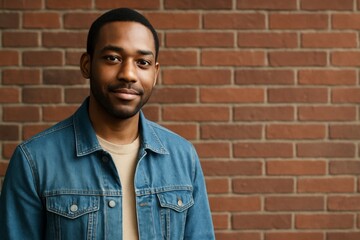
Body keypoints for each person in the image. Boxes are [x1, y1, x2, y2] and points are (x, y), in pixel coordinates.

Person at [0, 8, 215, 239]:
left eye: (142, 62)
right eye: (113, 58)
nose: (128, 74)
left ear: (155, 73)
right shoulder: (34, 160)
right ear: (86, 65)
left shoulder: (182, 157)